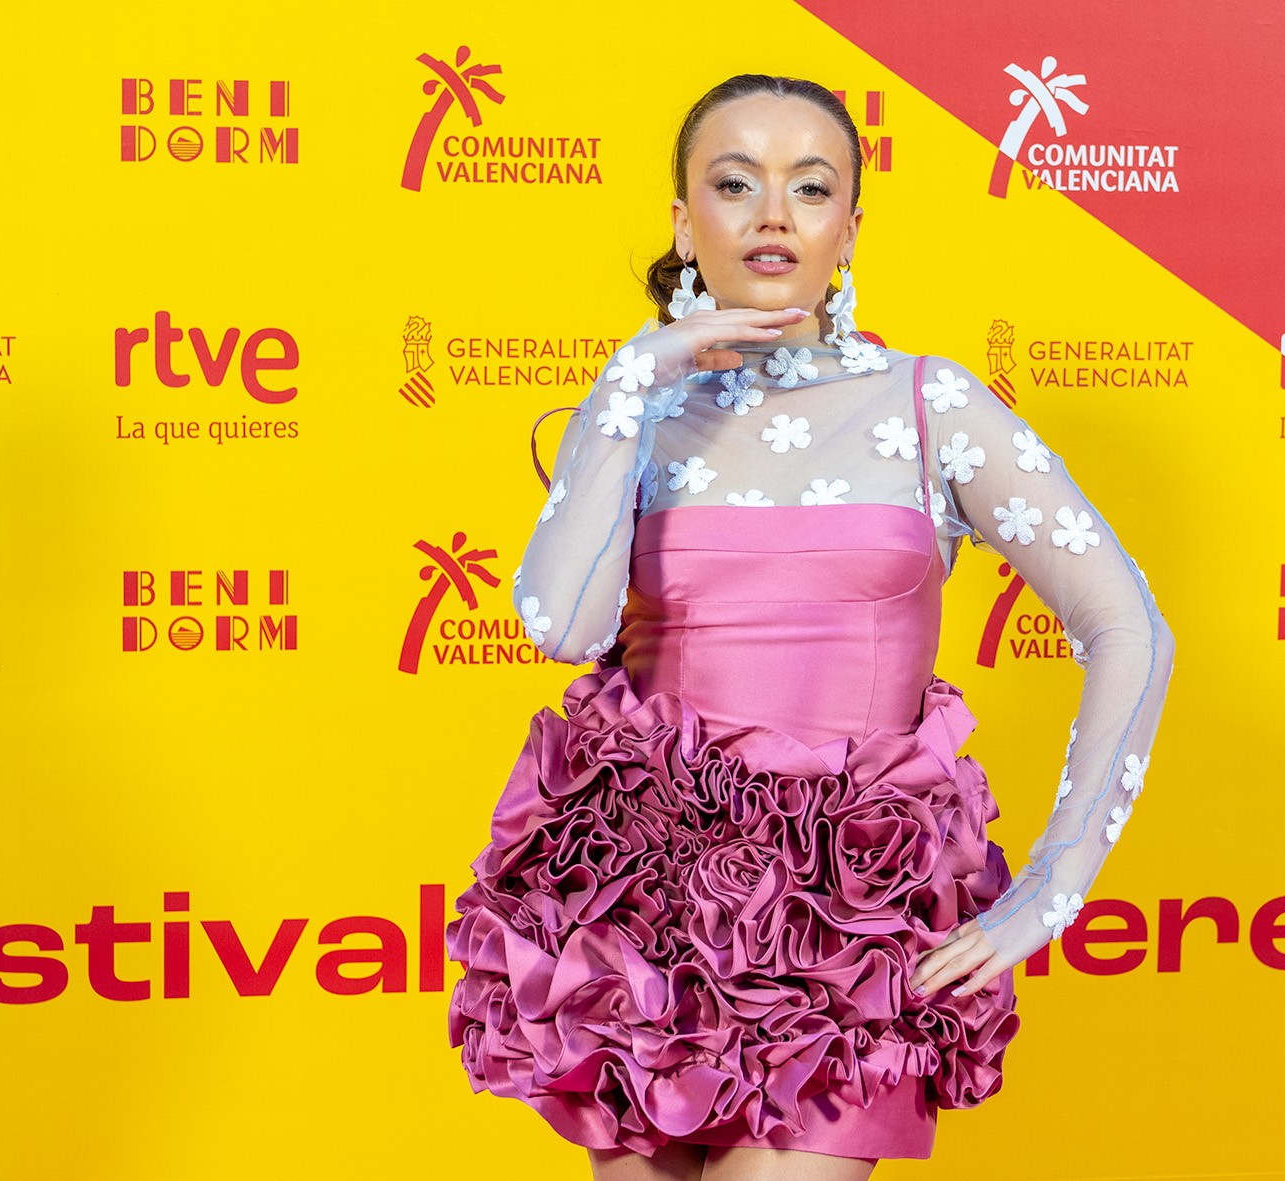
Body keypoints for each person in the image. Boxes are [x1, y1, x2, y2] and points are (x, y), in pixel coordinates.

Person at [447, 74, 1176, 1181]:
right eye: (736, 183)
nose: (774, 213)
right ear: (684, 221)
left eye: (811, 185)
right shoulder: (636, 415)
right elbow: (561, 625)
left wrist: (1054, 882)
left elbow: (1127, 624)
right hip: (642, 905)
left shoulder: (931, 406)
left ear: (851, 226)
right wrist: (628, 385)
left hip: (848, 913)